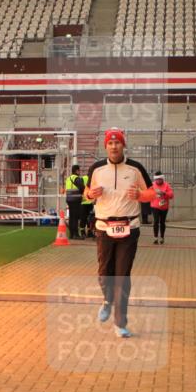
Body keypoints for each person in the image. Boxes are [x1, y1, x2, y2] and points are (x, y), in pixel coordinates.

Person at [85, 128, 155, 338]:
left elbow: (151, 193)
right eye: (110, 143)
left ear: (123, 145)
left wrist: (141, 195)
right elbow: (86, 193)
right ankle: (107, 299)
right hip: (104, 228)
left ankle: (120, 322)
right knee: (105, 273)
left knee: (122, 276)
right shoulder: (97, 169)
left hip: (129, 227)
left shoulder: (135, 168)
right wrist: (90, 193)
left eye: (117, 143)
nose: (114, 146)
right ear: (105, 146)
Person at [150, 172, 174, 244]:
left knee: (162, 222)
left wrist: (164, 193)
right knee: (156, 221)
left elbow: (171, 195)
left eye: (160, 179)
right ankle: (155, 237)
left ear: (162, 179)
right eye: (157, 180)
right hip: (155, 206)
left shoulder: (166, 185)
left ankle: (162, 237)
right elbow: (147, 193)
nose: (158, 181)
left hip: (164, 207)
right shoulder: (152, 185)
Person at [64, 164, 86, 240]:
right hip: (75, 200)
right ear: (76, 171)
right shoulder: (76, 178)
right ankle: (76, 234)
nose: (79, 172)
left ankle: (71, 234)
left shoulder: (68, 178)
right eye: (79, 170)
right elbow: (82, 187)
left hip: (69, 199)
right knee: (75, 218)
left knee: (71, 217)